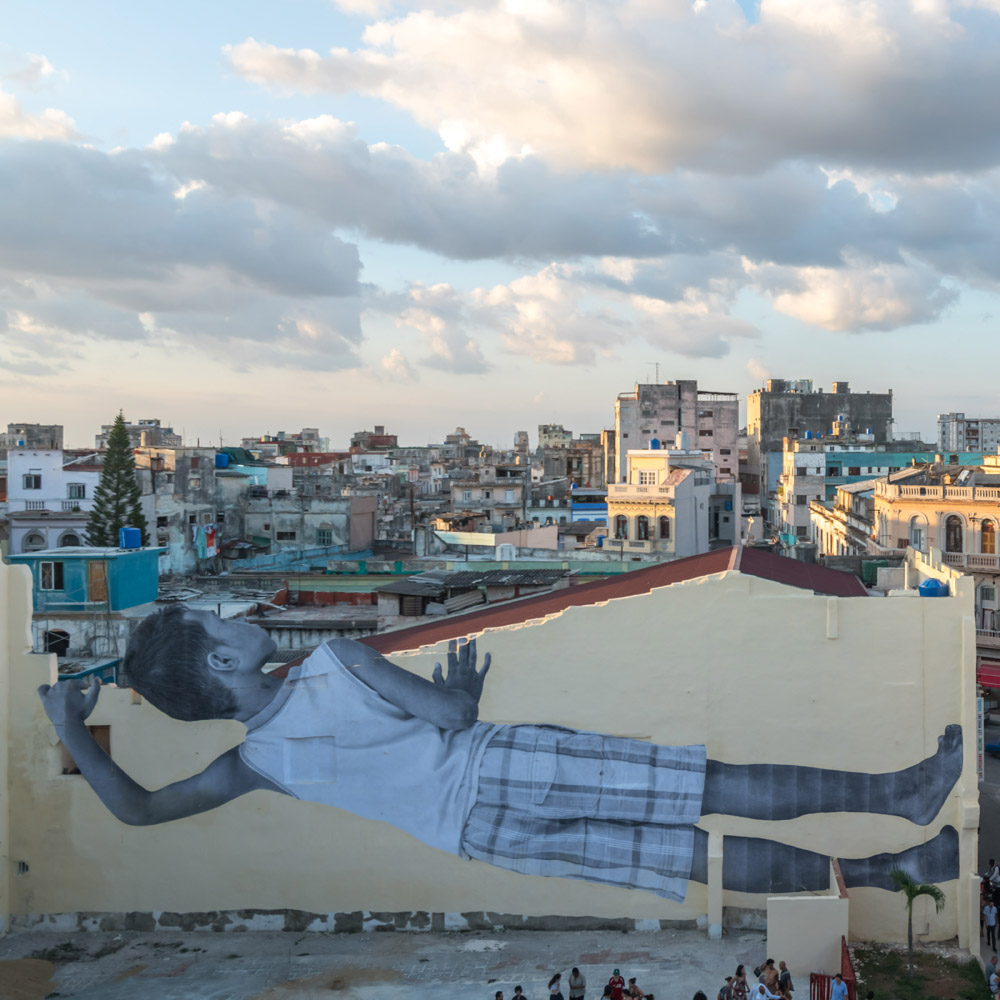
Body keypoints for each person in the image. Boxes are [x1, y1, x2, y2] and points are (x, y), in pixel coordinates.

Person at [38, 609, 966, 903]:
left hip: (479, 836)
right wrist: (467, 697)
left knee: (697, 856)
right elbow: (444, 714)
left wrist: (72, 727)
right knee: (705, 786)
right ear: (222, 659)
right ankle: (899, 791)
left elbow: (143, 810)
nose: (231, 618)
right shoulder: (333, 662)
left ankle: (898, 866)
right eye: (215, 623)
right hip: (500, 765)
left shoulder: (257, 764)